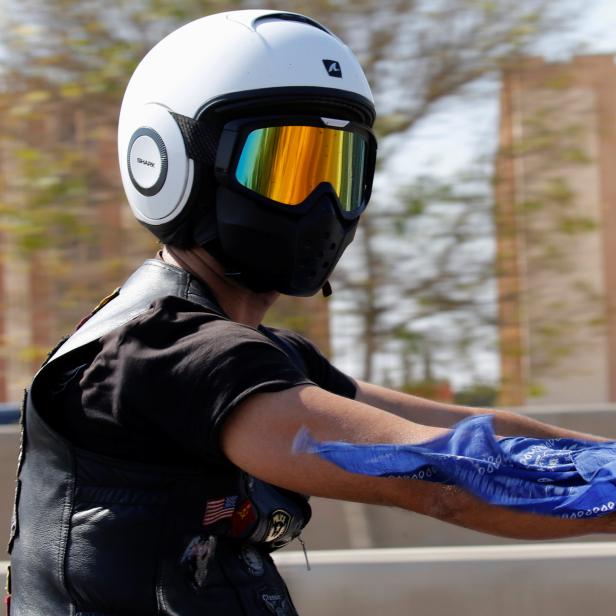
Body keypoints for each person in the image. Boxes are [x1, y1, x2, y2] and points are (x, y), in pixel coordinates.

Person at [6, 9, 616, 616]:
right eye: (287, 168)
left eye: (339, 171)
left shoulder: (264, 355)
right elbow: (442, 475)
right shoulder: (163, 355)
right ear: (169, 162)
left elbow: (478, 427)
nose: (322, 204)